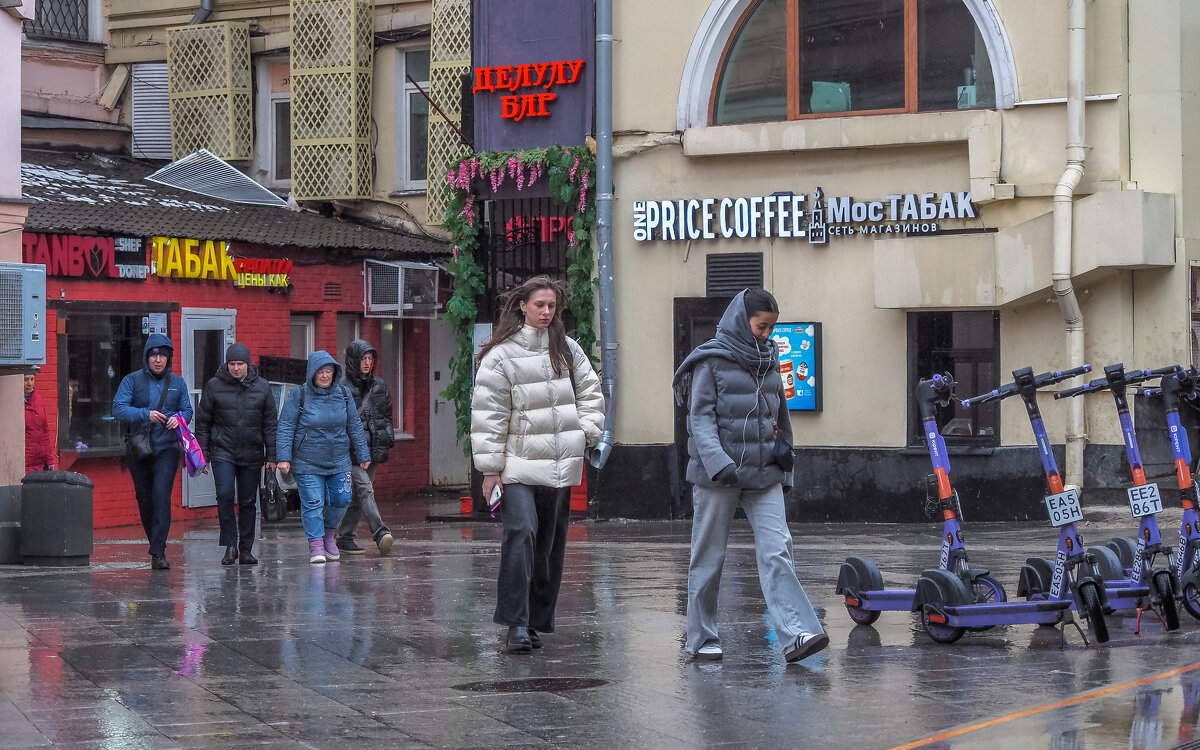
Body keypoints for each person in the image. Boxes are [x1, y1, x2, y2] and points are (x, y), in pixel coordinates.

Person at [672, 288, 828, 664]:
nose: (767, 335)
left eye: (772, 328)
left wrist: (785, 467)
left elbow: (781, 417)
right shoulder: (710, 361)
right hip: (717, 476)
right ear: (743, 321)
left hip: (764, 474)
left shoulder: (770, 361)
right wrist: (718, 463)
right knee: (708, 557)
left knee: (779, 552)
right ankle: (702, 638)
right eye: (762, 326)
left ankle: (796, 635)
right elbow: (700, 419)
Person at [471, 275, 605, 654]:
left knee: (548, 545)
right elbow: (488, 415)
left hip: (560, 463)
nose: (546, 312)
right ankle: (515, 623)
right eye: (539, 305)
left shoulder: (567, 349)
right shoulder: (500, 357)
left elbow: (591, 392)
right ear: (523, 307)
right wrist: (491, 469)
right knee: (522, 534)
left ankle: (533, 620)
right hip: (517, 466)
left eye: (552, 306)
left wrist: (587, 432)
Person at [276, 351, 371, 564]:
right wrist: (284, 457)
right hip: (307, 461)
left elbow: (354, 425)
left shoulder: (344, 395)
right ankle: (316, 545)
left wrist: (363, 454)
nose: (325, 376)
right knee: (313, 502)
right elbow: (286, 426)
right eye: (321, 372)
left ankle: (329, 535)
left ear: (334, 373)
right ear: (312, 373)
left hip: (338, 459)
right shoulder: (298, 395)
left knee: (342, 499)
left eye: (328, 371)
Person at [112, 333, 193, 571]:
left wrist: (179, 420)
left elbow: (187, 410)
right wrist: (145, 414)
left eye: (162, 355)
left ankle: (158, 551)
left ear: (169, 358)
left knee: (160, 496)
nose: (158, 360)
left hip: (167, 448)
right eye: (154, 355)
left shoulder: (178, 384)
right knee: (145, 499)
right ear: (147, 357)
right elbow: (118, 408)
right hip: (139, 447)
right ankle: (155, 543)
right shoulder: (132, 380)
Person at [194, 342, 278, 566]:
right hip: (223, 450)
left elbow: (270, 423)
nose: (236, 368)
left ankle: (246, 549)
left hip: (251, 451)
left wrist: (272, 456)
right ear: (227, 364)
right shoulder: (214, 386)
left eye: (240, 364)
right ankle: (230, 545)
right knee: (224, 494)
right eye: (232, 364)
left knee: (249, 501)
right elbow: (203, 423)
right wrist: (202, 456)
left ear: (248, 364)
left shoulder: (262, 387)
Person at [335, 340, 395, 556]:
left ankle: (345, 537)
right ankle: (380, 532)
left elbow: (386, 415)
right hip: (351, 453)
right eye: (363, 359)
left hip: (373, 450)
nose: (367, 363)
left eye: (370, 359)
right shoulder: (341, 388)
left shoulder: (379, 386)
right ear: (353, 361)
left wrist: (387, 435)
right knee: (365, 489)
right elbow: (339, 422)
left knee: (360, 496)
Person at [24, 366, 55, 474]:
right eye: (26, 379)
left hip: (40, 462)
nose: (29, 383)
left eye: (32, 379)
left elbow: (44, 432)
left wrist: (50, 460)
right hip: (24, 462)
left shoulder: (38, 400)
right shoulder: (14, 401)